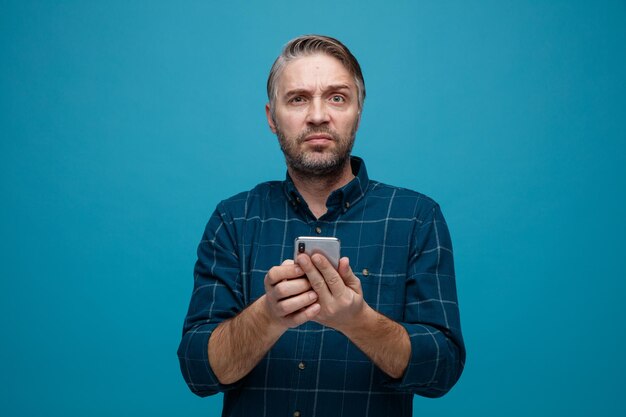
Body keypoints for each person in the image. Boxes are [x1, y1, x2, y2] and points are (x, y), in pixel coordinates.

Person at [177, 34, 465, 417]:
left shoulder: (416, 217)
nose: (317, 115)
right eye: (297, 98)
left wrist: (358, 322)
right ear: (271, 118)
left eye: (337, 97)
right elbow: (199, 372)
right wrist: (268, 316)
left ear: (358, 111)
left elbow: (441, 370)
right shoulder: (233, 219)